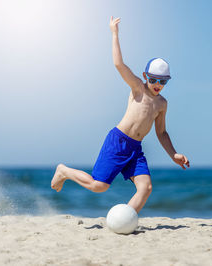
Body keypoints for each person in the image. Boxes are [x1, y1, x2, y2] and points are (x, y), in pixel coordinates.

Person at [51, 16, 190, 214]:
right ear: (145, 77)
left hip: (135, 149)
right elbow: (119, 64)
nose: (157, 85)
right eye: (153, 80)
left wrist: (174, 154)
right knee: (99, 186)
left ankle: (124, 218)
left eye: (163, 81)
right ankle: (64, 171)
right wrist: (114, 33)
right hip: (118, 141)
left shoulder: (162, 104)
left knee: (146, 188)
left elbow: (162, 133)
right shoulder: (138, 89)